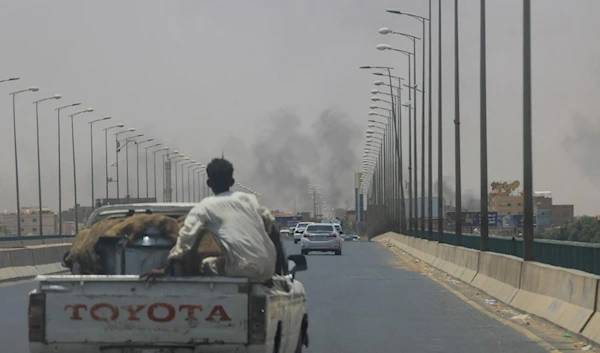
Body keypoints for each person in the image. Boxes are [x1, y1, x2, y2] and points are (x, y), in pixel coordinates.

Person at [142, 157, 285, 281]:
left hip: (242, 270)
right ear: (232, 181)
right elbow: (273, 229)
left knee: (207, 264)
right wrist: (280, 271)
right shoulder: (250, 200)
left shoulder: (204, 207)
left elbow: (185, 240)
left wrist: (165, 269)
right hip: (269, 268)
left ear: (209, 183)